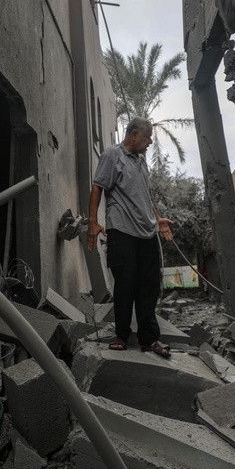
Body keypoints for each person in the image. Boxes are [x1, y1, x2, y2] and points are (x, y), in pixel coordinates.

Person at [87, 117, 173, 357]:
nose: (150, 141)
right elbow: (97, 187)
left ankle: (150, 339)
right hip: (122, 231)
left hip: (147, 233)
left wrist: (158, 220)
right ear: (133, 134)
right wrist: (93, 222)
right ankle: (121, 336)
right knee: (125, 285)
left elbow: (144, 197)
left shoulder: (141, 161)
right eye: (147, 136)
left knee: (149, 287)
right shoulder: (112, 155)